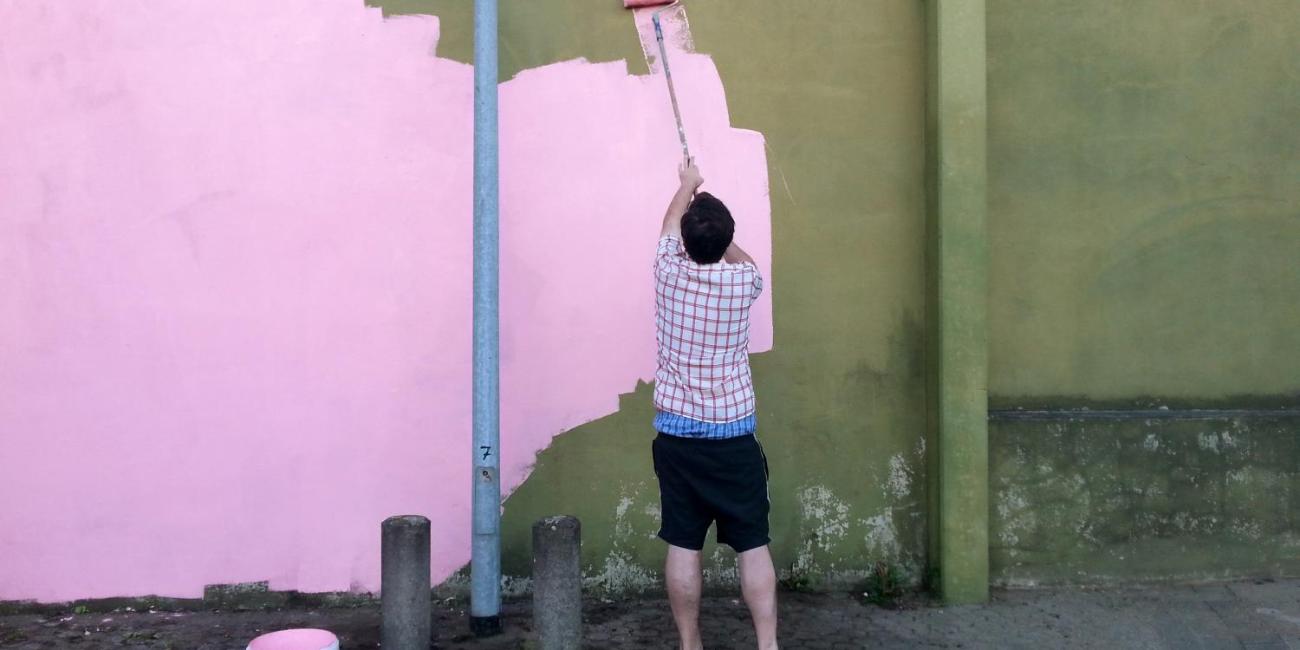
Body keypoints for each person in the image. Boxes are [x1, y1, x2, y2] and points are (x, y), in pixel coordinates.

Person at [651, 159, 777, 650]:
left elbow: (668, 227)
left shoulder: (667, 273)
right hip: (733, 439)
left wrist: (687, 185)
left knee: (683, 543)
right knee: (753, 544)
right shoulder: (743, 283)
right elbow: (745, 262)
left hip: (678, 440)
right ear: (725, 239)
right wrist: (718, 235)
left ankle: (690, 644)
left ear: (686, 241)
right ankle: (767, 645)